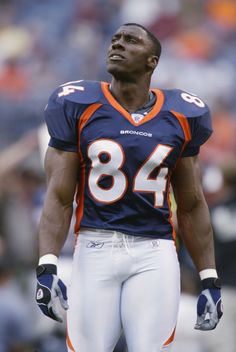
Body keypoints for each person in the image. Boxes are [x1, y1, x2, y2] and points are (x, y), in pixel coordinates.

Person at [35, 23, 223, 352]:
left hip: (155, 251)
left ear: (152, 61)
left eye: (130, 41)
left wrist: (209, 276)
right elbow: (60, 195)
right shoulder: (78, 104)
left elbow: (191, 205)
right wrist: (47, 264)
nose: (117, 45)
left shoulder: (182, 114)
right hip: (95, 246)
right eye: (115, 39)